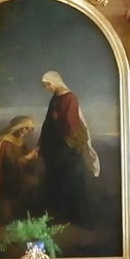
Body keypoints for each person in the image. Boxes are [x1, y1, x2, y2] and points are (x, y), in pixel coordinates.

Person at [37, 71, 99, 228]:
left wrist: (60, 127)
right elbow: (47, 123)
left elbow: (72, 123)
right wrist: (41, 143)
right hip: (55, 148)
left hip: (68, 148)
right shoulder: (55, 99)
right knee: (54, 182)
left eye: (48, 84)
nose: (48, 88)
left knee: (71, 181)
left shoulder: (70, 98)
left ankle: (77, 218)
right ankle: (58, 217)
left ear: (56, 82)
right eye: (45, 86)